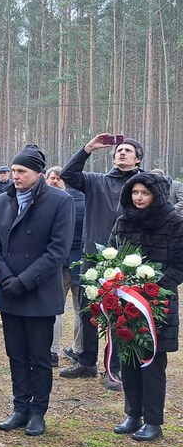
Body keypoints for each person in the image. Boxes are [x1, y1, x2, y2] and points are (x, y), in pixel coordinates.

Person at [0, 145, 74, 437]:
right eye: (13, 171)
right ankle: (20, 407)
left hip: (38, 293)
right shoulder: (3, 200)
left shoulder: (60, 201)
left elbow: (57, 250)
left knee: (38, 356)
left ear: (38, 173)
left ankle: (38, 412)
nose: (15, 176)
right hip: (9, 291)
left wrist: (24, 281)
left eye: (21, 171)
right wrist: (3, 276)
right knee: (16, 354)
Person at [59, 134, 144, 389]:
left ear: (138, 158)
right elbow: (68, 174)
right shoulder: (97, 181)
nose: (122, 153)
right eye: (119, 150)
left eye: (128, 150)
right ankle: (86, 362)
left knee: (120, 316)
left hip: (128, 260)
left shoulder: (145, 185)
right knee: (88, 312)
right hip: (93, 258)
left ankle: (114, 369)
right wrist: (87, 149)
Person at [108, 172, 183, 441]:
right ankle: (132, 414)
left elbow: (178, 265)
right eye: (135, 193)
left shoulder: (174, 223)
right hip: (126, 301)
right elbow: (112, 253)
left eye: (145, 193)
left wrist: (153, 286)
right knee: (128, 357)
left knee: (152, 363)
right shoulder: (123, 221)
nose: (138, 198)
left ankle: (153, 421)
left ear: (158, 195)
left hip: (157, 302)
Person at [45, 166, 85, 367]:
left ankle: (52, 352)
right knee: (80, 310)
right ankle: (78, 351)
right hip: (83, 263)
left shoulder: (55, 201)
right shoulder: (88, 200)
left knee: (55, 309)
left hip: (59, 262)